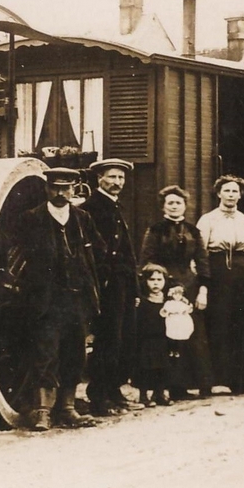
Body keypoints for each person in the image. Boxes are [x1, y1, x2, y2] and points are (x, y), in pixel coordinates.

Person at [9, 167, 104, 431]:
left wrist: (90, 287)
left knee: (75, 352)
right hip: (45, 301)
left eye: (66, 188)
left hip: (76, 299)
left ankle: (68, 408)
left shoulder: (83, 219)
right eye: (55, 188)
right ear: (47, 189)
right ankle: (43, 411)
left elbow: (98, 253)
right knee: (45, 352)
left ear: (74, 189)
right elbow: (15, 256)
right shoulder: (31, 219)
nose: (61, 193)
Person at [79, 158, 142, 416]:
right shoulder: (90, 208)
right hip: (105, 284)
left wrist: (135, 289)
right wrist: (101, 281)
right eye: (112, 177)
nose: (118, 182)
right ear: (99, 179)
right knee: (107, 338)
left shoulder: (116, 207)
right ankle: (99, 395)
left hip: (122, 282)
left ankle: (114, 389)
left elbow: (128, 252)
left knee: (123, 338)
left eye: (121, 178)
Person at [139, 185, 213, 398]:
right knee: (169, 337)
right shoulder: (155, 230)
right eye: (170, 202)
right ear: (163, 206)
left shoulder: (193, 230)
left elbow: (202, 261)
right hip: (162, 286)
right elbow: (147, 259)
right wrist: (159, 284)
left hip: (190, 286)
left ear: (184, 206)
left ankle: (201, 384)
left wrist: (203, 290)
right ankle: (174, 387)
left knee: (195, 334)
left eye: (178, 202)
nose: (174, 206)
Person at [196, 174, 244, 394]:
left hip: (243, 274)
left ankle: (242, 381)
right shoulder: (208, 220)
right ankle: (219, 380)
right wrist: (202, 279)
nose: (231, 195)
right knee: (219, 324)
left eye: (235, 191)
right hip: (217, 274)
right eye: (227, 190)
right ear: (218, 193)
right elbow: (200, 252)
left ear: (240, 195)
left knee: (242, 324)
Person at [135, 264, 171, 407]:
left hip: (162, 339)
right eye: (152, 280)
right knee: (145, 367)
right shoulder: (142, 301)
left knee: (162, 366)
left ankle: (159, 393)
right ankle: (143, 395)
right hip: (147, 340)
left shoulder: (168, 301)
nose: (156, 283)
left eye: (159, 279)